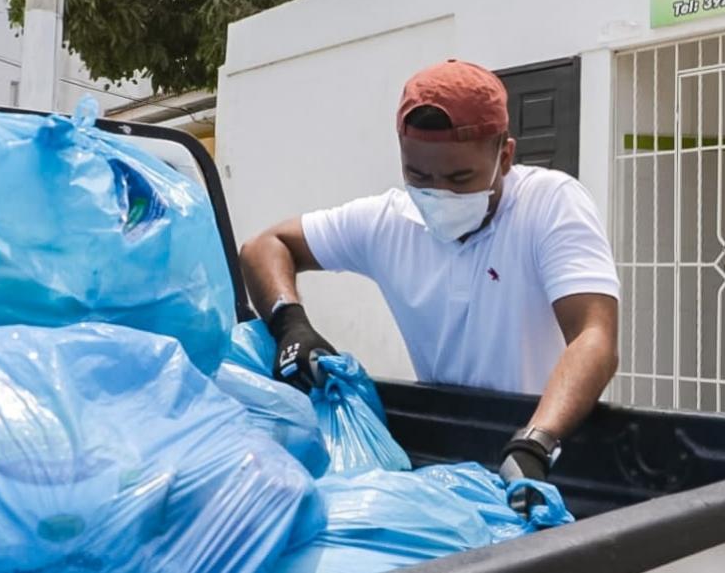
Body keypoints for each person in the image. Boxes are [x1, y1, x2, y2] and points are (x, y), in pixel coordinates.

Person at [239, 59, 620, 513]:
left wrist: (537, 442)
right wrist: (290, 323)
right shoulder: (388, 222)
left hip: (544, 452)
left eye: (460, 179)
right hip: (445, 452)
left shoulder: (550, 205)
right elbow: (265, 245)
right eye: (419, 176)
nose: (438, 194)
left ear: (505, 156)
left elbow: (593, 335)